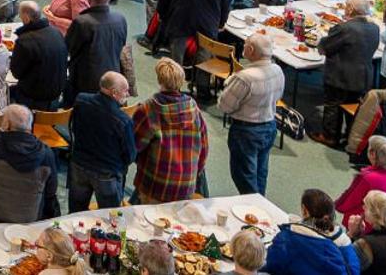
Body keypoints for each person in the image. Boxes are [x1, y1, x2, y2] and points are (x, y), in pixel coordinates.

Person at [132, 58, 208, 204]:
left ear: (160, 79)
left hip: (155, 183)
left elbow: (134, 146)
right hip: (186, 184)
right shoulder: (194, 109)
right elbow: (204, 150)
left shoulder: (148, 109)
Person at [215, 34, 284, 195]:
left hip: (246, 131)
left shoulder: (245, 77)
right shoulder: (277, 70)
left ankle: (253, 209)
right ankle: (260, 203)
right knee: (260, 172)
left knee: (244, 177)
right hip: (269, 125)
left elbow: (224, 106)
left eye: (245, 44)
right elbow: (278, 97)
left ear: (251, 50)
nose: (243, 46)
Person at [0, 105, 60, 223]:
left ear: (7, 124)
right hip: (32, 218)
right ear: (29, 125)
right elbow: (51, 190)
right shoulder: (46, 153)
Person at [313, 0, 381, 145]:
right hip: (363, 76)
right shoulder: (375, 28)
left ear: (350, 9)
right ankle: (352, 136)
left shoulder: (345, 28)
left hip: (340, 75)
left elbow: (325, 47)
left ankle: (330, 136)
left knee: (333, 105)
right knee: (354, 107)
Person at [68, 70, 136, 211]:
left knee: (75, 212)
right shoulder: (123, 121)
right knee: (109, 217)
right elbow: (130, 155)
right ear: (114, 92)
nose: (128, 94)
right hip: (107, 173)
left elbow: (74, 127)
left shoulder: (81, 100)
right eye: (125, 91)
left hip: (79, 164)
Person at [264, 189, 359, 275]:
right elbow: (353, 270)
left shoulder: (288, 238)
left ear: (304, 210)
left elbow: (270, 263)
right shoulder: (343, 241)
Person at [66, 0, 132, 101]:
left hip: (85, 81)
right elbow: (122, 45)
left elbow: (70, 48)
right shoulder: (120, 19)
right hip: (113, 77)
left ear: (89, 1)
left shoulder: (81, 22)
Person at [335, 135, 386, 229]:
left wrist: (336, 205)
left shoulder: (368, 178)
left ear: (372, 154)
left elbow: (352, 199)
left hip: (365, 223)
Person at [9, 2, 67, 110]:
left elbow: (16, 73)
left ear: (26, 17)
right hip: (56, 94)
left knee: (7, 91)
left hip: (34, 97)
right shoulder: (56, 32)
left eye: (20, 16)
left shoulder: (24, 41)